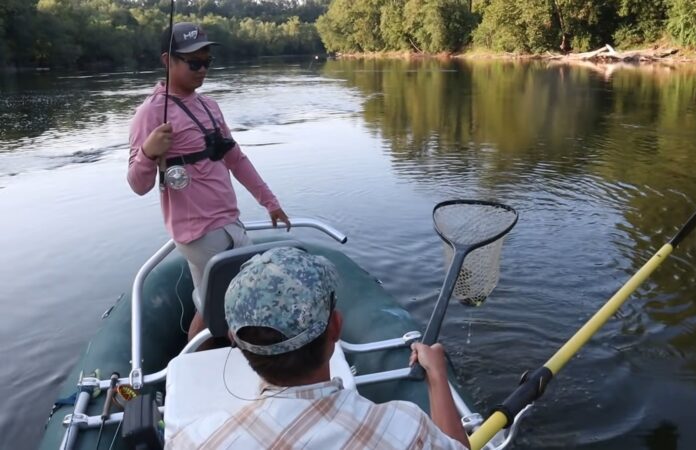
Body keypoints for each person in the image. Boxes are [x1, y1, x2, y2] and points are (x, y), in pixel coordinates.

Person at [167, 246, 470, 449]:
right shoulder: (405, 428)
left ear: (235, 341)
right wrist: (437, 378)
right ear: (336, 327)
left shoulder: (194, 442)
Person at [127, 22, 290, 341]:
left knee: (209, 307)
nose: (203, 70)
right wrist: (148, 152)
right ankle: (260, 366)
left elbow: (236, 159)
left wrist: (270, 202)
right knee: (248, 296)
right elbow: (137, 184)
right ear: (167, 61)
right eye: (194, 63)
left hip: (228, 222)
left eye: (207, 62)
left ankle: (189, 366)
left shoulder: (209, 106)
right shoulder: (149, 115)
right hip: (199, 232)